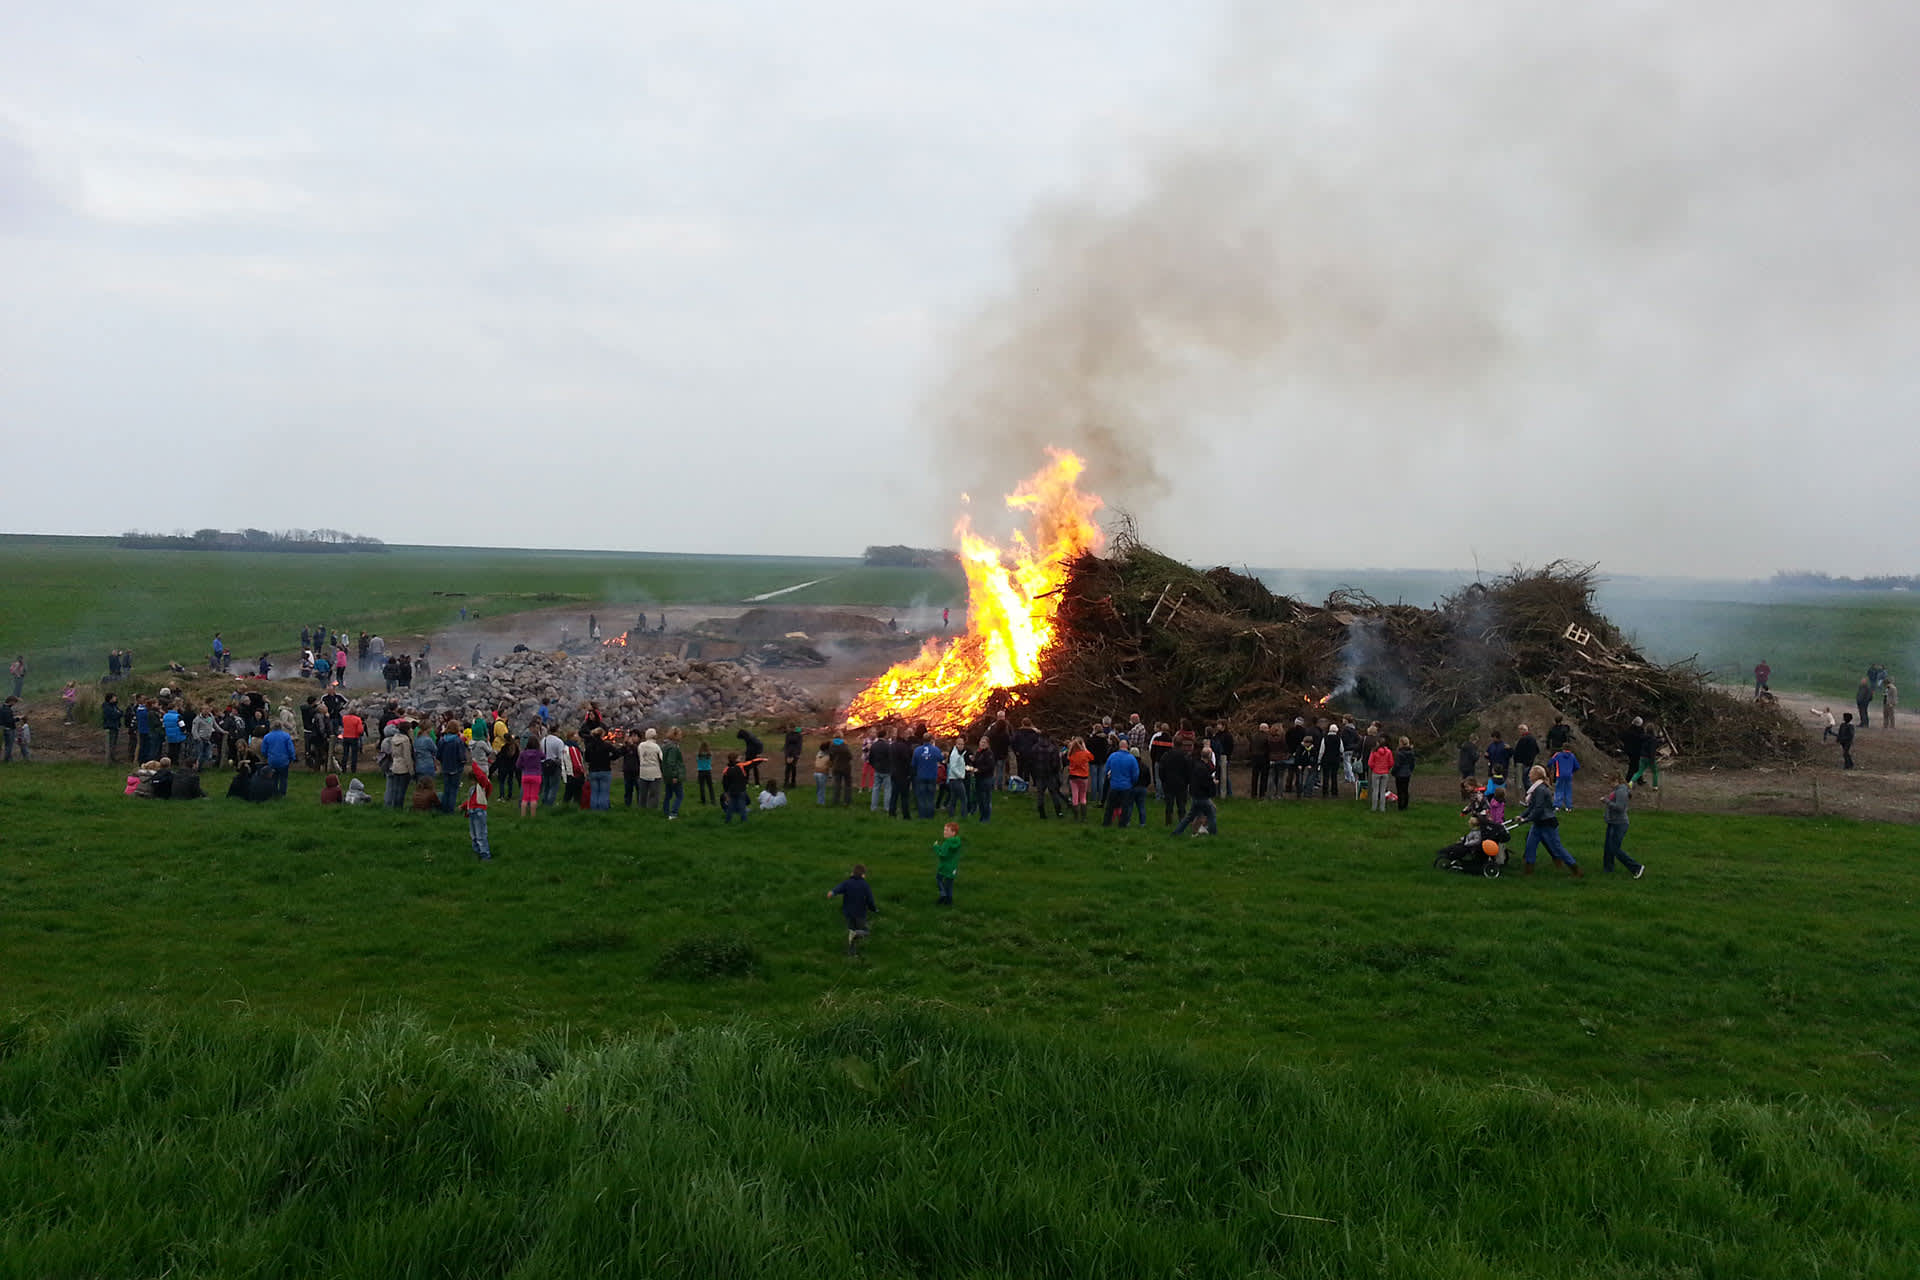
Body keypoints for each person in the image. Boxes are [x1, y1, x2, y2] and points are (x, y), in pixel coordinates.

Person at [1519, 765, 1581, 876]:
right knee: (1530, 845)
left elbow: (1538, 808)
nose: (1529, 775)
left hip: (1547, 823)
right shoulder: (1536, 789)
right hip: (1538, 823)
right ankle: (1528, 870)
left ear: (1536, 775)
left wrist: (1528, 819)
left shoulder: (1541, 789)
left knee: (1557, 847)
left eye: (1531, 773)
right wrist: (1522, 816)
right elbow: (1532, 806)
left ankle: (1575, 869)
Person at [1600, 772, 1644, 877]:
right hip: (1612, 822)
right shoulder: (1617, 790)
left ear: (1617, 781)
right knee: (1608, 847)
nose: (1610, 785)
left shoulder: (1621, 791)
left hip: (1619, 824)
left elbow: (1620, 808)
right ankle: (1608, 868)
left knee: (1615, 848)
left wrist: (1606, 801)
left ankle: (1636, 867)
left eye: (1611, 782)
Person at [828, 864, 876, 956]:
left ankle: (851, 952)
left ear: (852, 873)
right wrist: (874, 909)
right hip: (860, 913)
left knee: (851, 931)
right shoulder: (865, 885)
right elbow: (870, 899)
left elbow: (838, 888)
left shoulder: (847, 883)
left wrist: (832, 892)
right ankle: (857, 934)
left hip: (848, 913)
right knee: (865, 932)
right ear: (863, 875)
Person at [1171, 749, 1220, 835]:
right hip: (1202, 797)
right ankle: (1213, 833)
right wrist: (1213, 783)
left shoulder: (1196, 765)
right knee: (1211, 814)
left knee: (1189, 817)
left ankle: (1176, 832)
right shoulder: (1204, 769)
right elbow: (1206, 783)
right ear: (1209, 756)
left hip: (1195, 796)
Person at [1100, 742, 1141, 827]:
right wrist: (1132, 782)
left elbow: (1107, 770)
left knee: (1110, 806)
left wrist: (1110, 778)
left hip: (1114, 785)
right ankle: (1123, 824)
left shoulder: (1112, 756)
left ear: (1119, 746)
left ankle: (1106, 823)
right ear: (1127, 747)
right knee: (1125, 807)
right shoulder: (1132, 759)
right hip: (1126, 786)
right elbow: (1135, 774)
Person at [462, 758, 493, 859]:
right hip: (472, 812)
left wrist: (474, 764)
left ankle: (485, 855)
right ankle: (477, 852)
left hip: (479, 812)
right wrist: (463, 806)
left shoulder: (483, 786)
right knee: (474, 834)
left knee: (481, 834)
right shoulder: (472, 789)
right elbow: (471, 801)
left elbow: (481, 777)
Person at [583, 727, 615, 811]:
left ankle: (594, 810)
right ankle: (603, 810)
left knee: (594, 792)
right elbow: (617, 753)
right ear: (602, 735)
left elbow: (586, 759)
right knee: (604, 793)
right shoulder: (607, 745)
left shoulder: (589, 746)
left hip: (593, 771)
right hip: (605, 770)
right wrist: (610, 758)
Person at [931, 821, 962, 905]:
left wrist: (936, 847)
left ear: (953, 832)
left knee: (939, 878)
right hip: (953, 867)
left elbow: (942, 855)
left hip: (944, 867)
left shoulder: (947, 842)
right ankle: (949, 901)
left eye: (947, 830)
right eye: (944, 830)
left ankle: (943, 894)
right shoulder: (958, 841)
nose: (944, 832)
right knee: (949, 884)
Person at [384, 723, 415, 808]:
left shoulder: (394, 738)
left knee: (396, 788)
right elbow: (407, 756)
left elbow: (392, 753)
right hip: (403, 767)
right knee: (402, 789)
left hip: (395, 764)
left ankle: (395, 806)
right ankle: (399, 807)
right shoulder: (405, 740)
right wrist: (411, 770)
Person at [260, 723, 296, 796]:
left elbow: (263, 750)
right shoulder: (286, 736)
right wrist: (292, 758)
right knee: (283, 778)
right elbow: (290, 749)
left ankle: (274, 792)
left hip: (272, 761)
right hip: (284, 761)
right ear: (281, 727)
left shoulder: (267, 736)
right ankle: (282, 793)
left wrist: (267, 756)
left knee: (273, 777)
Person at [911, 733, 942, 817]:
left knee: (921, 797)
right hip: (932, 776)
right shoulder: (935, 750)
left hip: (921, 776)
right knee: (931, 797)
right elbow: (941, 759)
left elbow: (913, 764)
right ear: (931, 740)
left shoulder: (917, 750)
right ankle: (930, 815)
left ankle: (922, 815)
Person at [634, 727, 663, 809]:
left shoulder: (641, 745)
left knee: (642, 793)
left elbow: (640, 757)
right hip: (655, 773)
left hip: (643, 771)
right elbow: (661, 759)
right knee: (654, 793)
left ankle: (642, 808)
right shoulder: (656, 747)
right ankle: (652, 809)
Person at [968, 737, 995, 822]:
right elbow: (977, 763)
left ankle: (986, 818)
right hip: (978, 779)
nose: (982, 744)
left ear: (987, 744)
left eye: (984, 743)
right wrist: (973, 761)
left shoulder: (989, 754)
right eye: (981, 742)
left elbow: (990, 766)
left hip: (986, 779)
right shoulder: (979, 752)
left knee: (986, 800)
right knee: (980, 800)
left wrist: (979, 770)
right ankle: (982, 817)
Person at [517, 735, 545, 817]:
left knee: (525, 797)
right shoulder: (538, 753)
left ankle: (523, 816)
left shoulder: (523, 753)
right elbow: (544, 757)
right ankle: (533, 816)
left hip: (526, 775)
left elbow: (518, 765)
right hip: (536, 776)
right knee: (534, 797)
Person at [661, 728, 686, 819]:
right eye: (680, 734)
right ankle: (673, 813)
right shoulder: (673, 748)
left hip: (666, 774)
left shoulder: (665, 746)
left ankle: (665, 811)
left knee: (668, 794)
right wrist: (675, 775)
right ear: (675, 735)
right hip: (673, 775)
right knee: (680, 795)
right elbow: (671, 762)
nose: (681, 736)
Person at [1629, 722, 1661, 790]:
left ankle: (1631, 782)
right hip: (1649, 757)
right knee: (1654, 772)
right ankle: (1655, 786)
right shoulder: (1653, 739)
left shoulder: (1642, 737)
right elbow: (1652, 750)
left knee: (1639, 771)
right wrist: (1652, 759)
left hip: (1642, 757)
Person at [1366, 738, 1395, 812]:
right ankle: (1382, 808)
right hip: (1385, 772)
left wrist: (1374, 768)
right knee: (1382, 791)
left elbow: (1370, 763)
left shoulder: (1374, 752)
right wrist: (1387, 768)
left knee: (1375, 790)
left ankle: (1374, 807)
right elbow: (1391, 762)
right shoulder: (1388, 752)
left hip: (1376, 772)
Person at [720, 752, 750, 822]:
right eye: (739, 757)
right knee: (742, 807)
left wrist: (726, 792)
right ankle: (744, 820)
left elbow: (725, 782)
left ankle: (727, 820)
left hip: (731, 791)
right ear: (735, 759)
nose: (740, 758)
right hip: (740, 790)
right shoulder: (740, 767)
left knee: (730, 807)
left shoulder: (727, 769)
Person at [1550, 743, 1580, 810]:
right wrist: (1572, 770)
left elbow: (1550, 762)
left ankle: (1557, 805)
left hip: (1559, 774)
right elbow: (1577, 766)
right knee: (1568, 790)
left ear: (1562, 748)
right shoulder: (1572, 756)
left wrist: (1553, 767)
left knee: (1559, 790)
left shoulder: (1557, 755)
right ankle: (1568, 807)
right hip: (1569, 775)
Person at [829, 736, 856, 806]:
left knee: (837, 785)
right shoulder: (845, 746)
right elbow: (850, 756)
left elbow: (831, 757)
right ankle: (847, 801)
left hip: (836, 767)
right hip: (846, 768)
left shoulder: (832, 746)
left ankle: (835, 800)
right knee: (847, 785)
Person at [1391, 737, 1416, 811]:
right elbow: (1412, 763)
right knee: (1405, 790)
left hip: (1399, 774)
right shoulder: (1411, 752)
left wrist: (1393, 772)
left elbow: (1397, 764)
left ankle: (1400, 806)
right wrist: (1410, 770)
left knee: (1399, 790)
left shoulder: (1399, 753)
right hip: (1407, 773)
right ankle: (1405, 805)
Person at [101, 693, 122, 762]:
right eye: (114, 697)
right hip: (110, 726)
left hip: (116, 726)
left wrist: (118, 713)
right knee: (111, 743)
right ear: (110, 699)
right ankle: (110, 758)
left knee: (114, 743)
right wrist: (118, 713)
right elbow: (112, 715)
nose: (115, 698)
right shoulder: (107, 707)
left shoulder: (114, 706)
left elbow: (121, 712)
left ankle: (113, 757)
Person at [782, 725, 803, 789]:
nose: (791, 729)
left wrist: (796, 754)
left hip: (795, 753)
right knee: (787, 768)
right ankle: (786, 782)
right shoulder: (788, 734)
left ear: (794, 728)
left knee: (793, 767)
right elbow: (786, 744)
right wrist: (787, 754)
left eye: (792, 728)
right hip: (788, 753)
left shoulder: (799, 735)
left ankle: (793, 782)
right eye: (790, 728)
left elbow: (799, 745)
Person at [813, 740, 832, 805]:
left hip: (815, 772)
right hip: (822, 773)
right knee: (822, 789)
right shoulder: (829, 756)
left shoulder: (818, 753)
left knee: (818, 788)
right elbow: (830, 765)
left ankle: (818, 801)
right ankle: (821, 803)